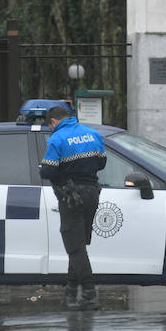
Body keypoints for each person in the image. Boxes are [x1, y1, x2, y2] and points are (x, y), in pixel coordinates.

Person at [39, 105, 107, 310]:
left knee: (74, 247)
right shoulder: (93, 134)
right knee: (78, 246)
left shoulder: (57, 139)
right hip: (92, 193)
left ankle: (89, 294)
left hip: (71, 196)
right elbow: (102, 163)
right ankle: (69, 294)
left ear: (53, 122)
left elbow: (48, 171)